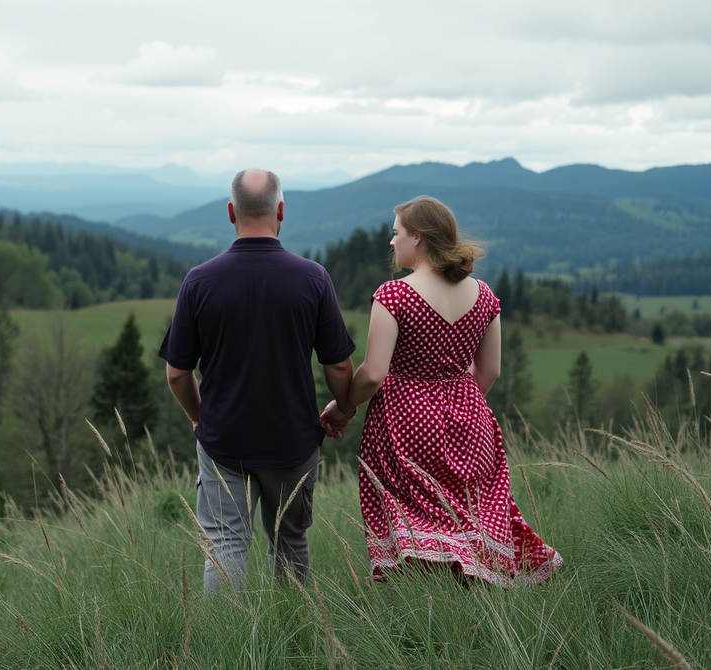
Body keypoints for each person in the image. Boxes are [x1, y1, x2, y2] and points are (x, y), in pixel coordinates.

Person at [322, 196, 562, 587]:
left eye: (396, 233)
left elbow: (373, 374)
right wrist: (455, 401)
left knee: (414, 518)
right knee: (468, 515)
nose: (391, 241)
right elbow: (490, 371)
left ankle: (426, 608)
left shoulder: (394, 295)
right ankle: (468, 600)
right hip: (471, 418)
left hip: (407, 421)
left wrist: (344, 405)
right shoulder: (484, 295)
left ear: (418, 238)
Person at [159, 168, 356, 591]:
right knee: (290, 541)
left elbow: (177, 373)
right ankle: (291, 638)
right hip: (293, 440)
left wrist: (199, 418)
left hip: (223, 441)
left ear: (231, 212)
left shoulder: (199, 281)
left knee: (226, 543)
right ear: (280, 211)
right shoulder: (313, 278)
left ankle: (219, 648)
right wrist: (343, 409)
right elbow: (339, 366)